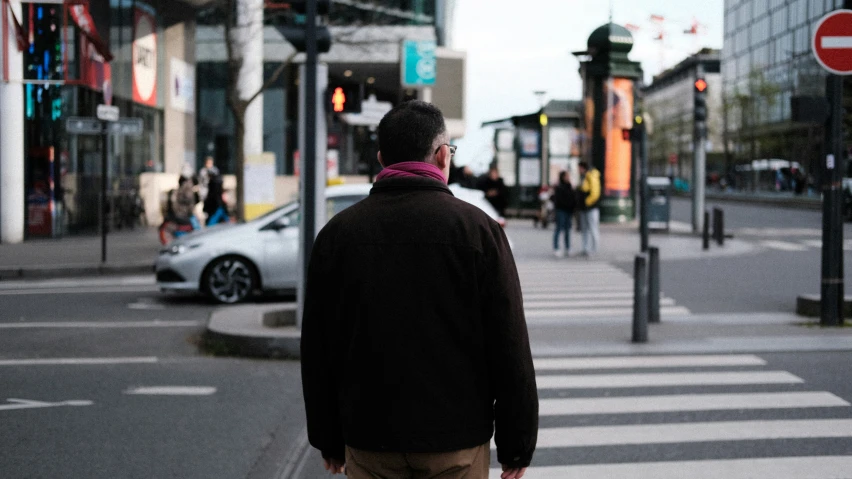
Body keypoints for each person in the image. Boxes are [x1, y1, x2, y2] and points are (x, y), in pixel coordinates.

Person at [301, 100, 538, 479]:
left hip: (368, 438)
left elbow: (318, 346)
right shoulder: (478, 231)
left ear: (382, 158)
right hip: (455, 439)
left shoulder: (338, 235)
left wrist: (328, 437)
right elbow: (508, 343)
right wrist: (517, 444)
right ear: (443, 155)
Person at [577, 161, 601, 256]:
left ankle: (594, 249)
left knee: (593, 228)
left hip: (591, 208)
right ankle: (585, 248)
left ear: (583, 168)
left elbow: (595, 193)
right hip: (584, 208)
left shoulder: (591, 176)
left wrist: (587, 202)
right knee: (584, 229)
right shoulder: (583, 177)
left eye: (579, 168)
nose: (578, 170)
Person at [551, 170, 576, 257]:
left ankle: (568, 247)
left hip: (568, 211)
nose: (568, 178)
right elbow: (558, 200)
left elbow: (573, 198)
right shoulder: (559, 187)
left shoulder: (570, 186)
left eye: (568, 176)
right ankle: (556, 248)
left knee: (567, 230)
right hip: (561, 210)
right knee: (559, 229)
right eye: (566, 176)